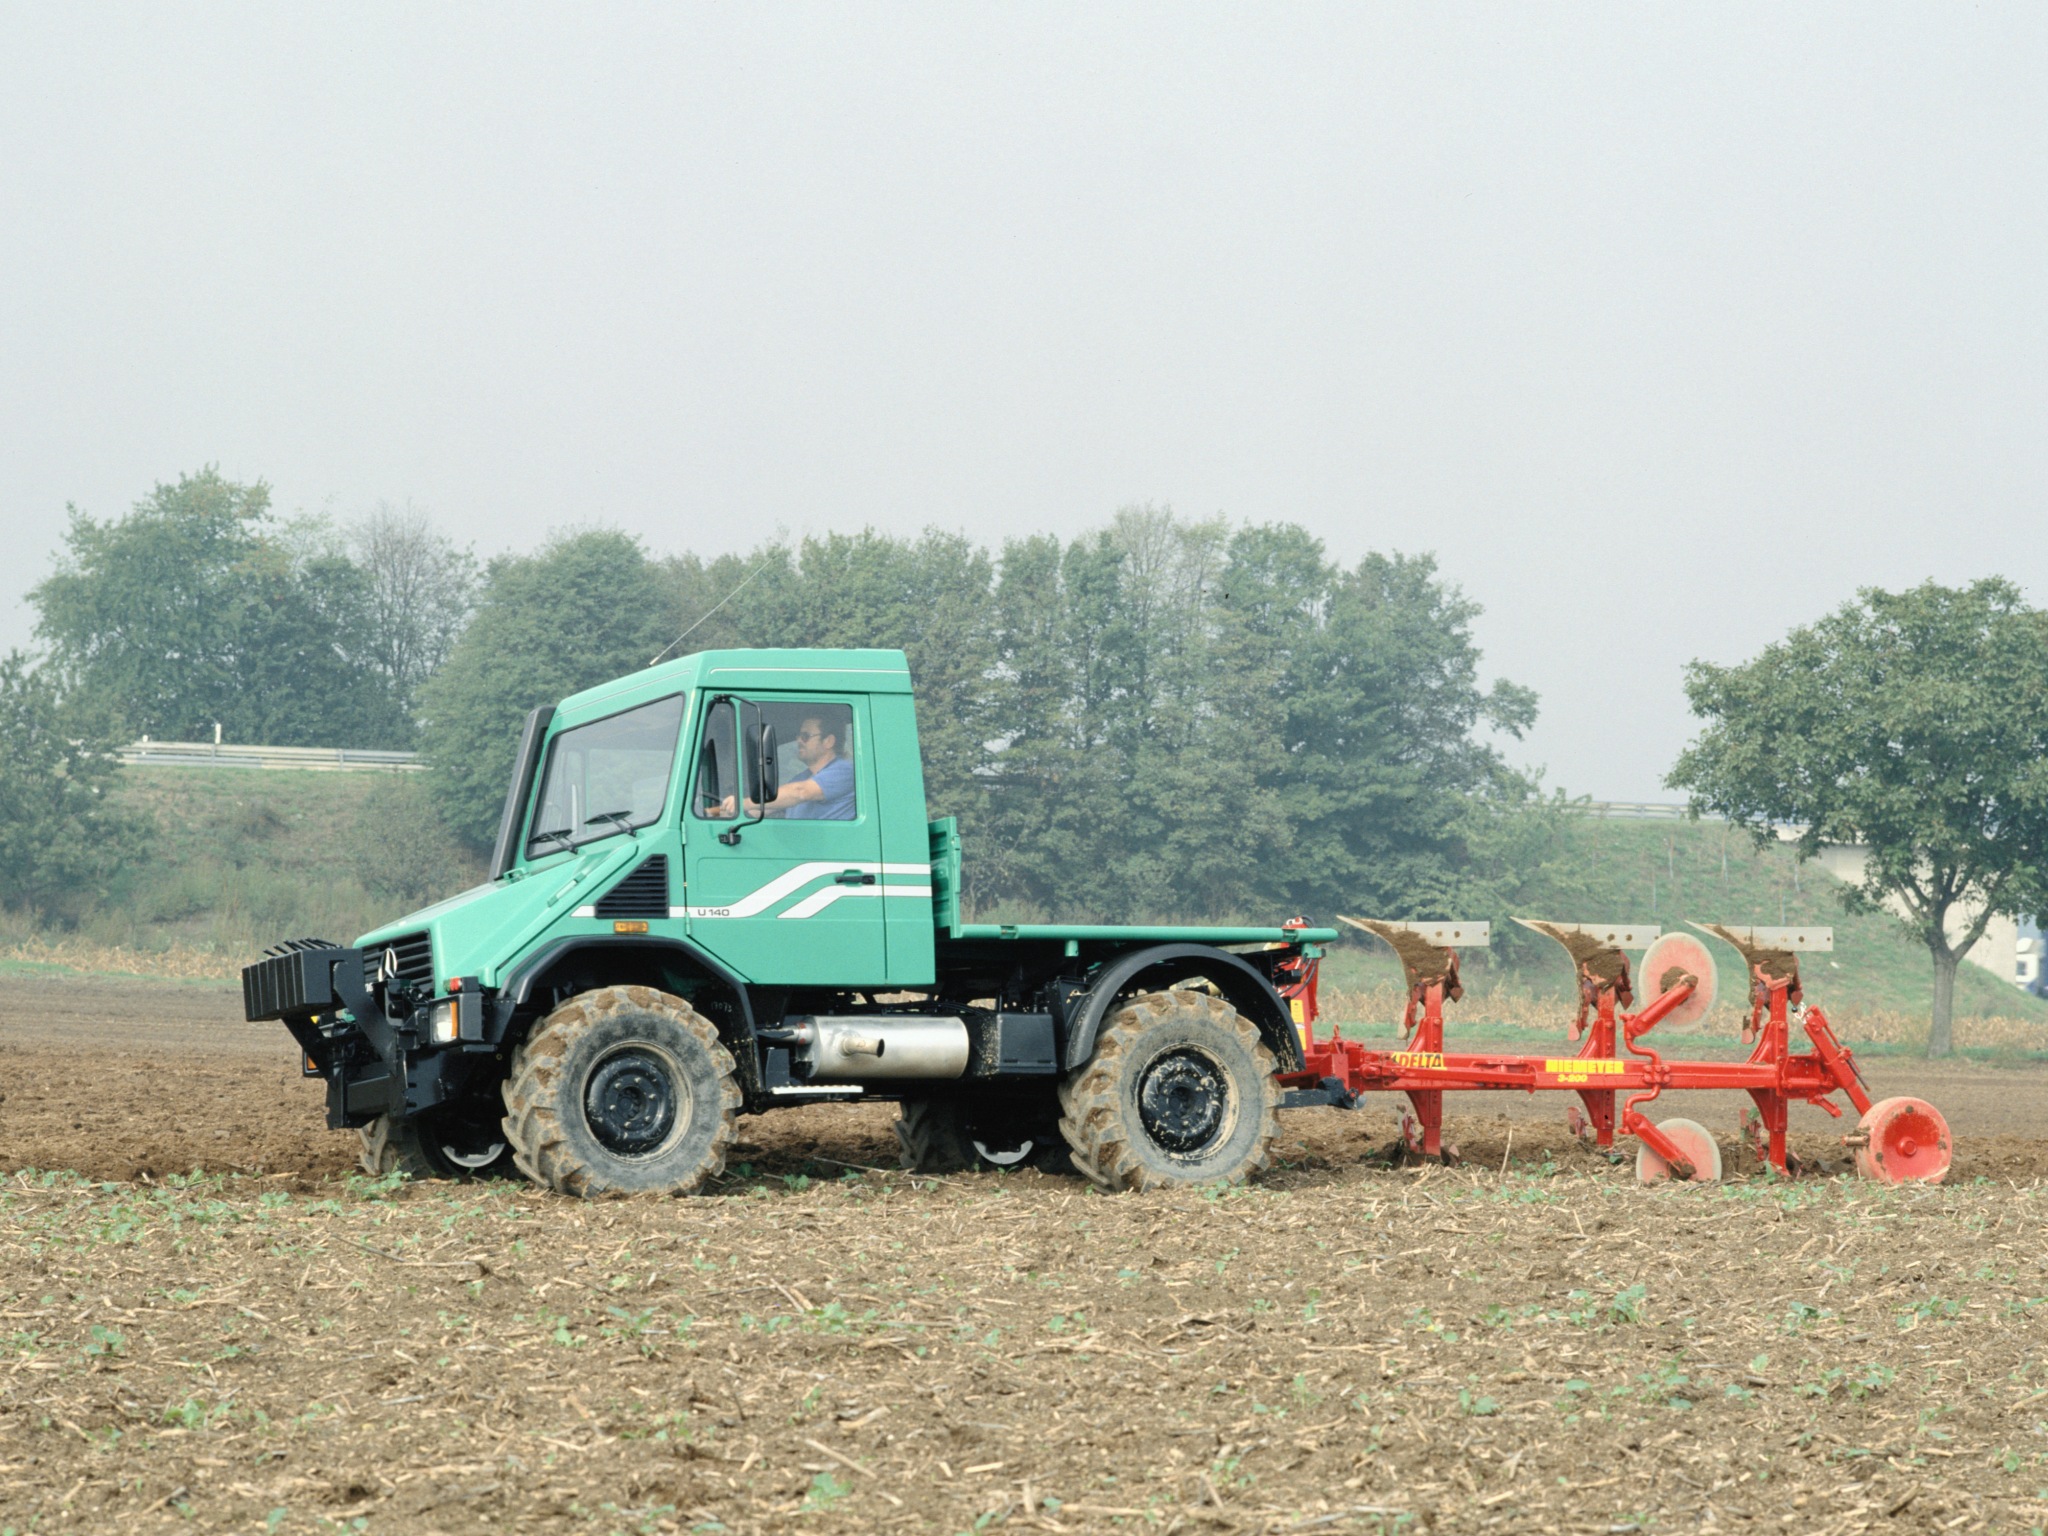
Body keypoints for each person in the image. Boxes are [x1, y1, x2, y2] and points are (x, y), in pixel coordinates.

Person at [759, 715, 855, 820]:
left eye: (805, 736)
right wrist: (741, 811)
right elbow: (768, 806)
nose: (799, 740)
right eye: (798, 736)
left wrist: (743, 803)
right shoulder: (802, 778)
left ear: (828, 741)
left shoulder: (844, 771)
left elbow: (800, 792)